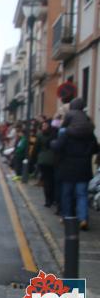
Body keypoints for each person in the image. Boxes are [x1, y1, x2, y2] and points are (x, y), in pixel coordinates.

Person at [52, 98, 99, 231]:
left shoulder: (66, 132)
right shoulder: (89, 131)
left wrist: (52, 144)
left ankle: (68, 218)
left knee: (67, 194)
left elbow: (58, 146)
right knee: (81, 194)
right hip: (83, 167)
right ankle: (83, 218)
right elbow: (95, 148)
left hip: (68, 167)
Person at [35, 120, 57, 208]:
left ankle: (48, 201)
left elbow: (36, 148)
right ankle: (52, 199)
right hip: (53, 160)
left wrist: (33, 159)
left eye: (44, 125)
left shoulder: (40, 135)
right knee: (52, 180)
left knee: (46, 181)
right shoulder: (55, 134)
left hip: (43, 160)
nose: (43, 127)